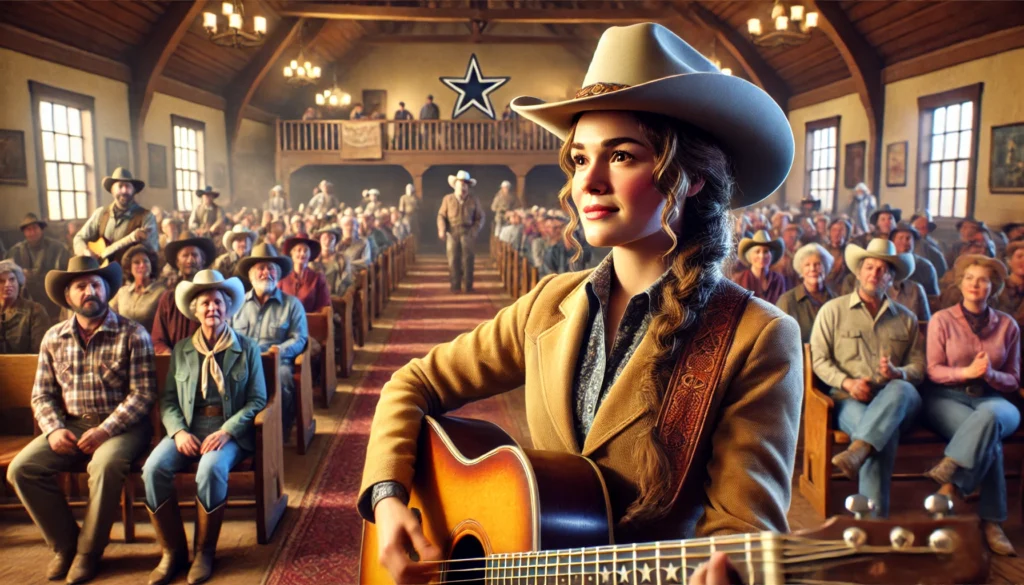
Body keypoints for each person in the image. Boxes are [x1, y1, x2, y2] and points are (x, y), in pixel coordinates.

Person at [361, 23, 803, 585]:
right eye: (578, 158)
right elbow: (410, 383)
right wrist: (388, 497)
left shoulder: (754, 335)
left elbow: (743, 536)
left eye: (621, 156)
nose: (586, 183)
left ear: (690, 177)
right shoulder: (549, 303)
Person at [6, 256, 156, 584]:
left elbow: (142, 395)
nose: (90, 291)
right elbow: (42, 396)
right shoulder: (53, 338)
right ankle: (65, 545)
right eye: (81, 286)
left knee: (103, 466)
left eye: (96, 285)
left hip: (122, 427)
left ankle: (89, 553)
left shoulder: (132, 333)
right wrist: (54, 428)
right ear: (68, 296)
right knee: (22, 469)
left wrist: (105, 430)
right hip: (71, 424)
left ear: (106, 290)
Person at [141, 270, 265, 585]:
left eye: (219, 302)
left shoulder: (247, 347)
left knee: (209, 470)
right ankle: (172, 552)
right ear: (195, 311)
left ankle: (204, 551)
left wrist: (227, 430)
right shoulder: (182, 349)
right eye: (205, 303)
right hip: (188, 427)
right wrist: (179, 432)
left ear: (228, 307)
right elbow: (168, 401)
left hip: (229, 432)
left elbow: (257, 400)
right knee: (153, 468)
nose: (212, 309)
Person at [810, 238, 925, 518]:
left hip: (898, 401)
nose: (874, 273)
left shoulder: (906, 318)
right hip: (849, 400)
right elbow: (819, 360)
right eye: (869, 267)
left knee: (901, 388)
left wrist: (899, 373)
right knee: (880, 434)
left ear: (891, 278)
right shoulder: (832, 311)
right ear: (859, 272)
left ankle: (858, 450)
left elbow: (919, 366)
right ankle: (874, 522)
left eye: (882, 269)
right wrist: (848, 383)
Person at [920, 254, 1020, 556]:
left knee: (990, 418)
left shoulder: (1007, 325)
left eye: (983, 280)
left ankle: (951, 482)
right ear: (960, 283)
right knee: (989, 439)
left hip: (994, 398)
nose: (975, 284)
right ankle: (992, 523)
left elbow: (1014, 378)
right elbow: (933, 370)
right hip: (947, 397)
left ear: (994, 287)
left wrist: (990, 375)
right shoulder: (942, 319)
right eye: (969, 278)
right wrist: (965, 373)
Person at [231, 244, 307, 437]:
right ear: (250, 275)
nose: (266, 273)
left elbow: (299, 338)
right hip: (243, 362)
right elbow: (227, 336)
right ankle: (240, 434)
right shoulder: (236, 306)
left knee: (284, 377)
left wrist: (279, 351)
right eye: (261, 268)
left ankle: (279, 432)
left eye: (271, 268)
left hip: (277, 361)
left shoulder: (292, 305)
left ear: (278, 274)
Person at [73, 167, 159, 263]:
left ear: (134, 190)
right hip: (102, 273)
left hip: (129, 275)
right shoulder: (100, 213)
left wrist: (144, 240)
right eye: (120, 186)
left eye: (128, 186)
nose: (124, 190)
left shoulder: (146, 217)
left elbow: (153, 251)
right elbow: (78, 238)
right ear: (112, 190)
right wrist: (86, 252)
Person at [152, 238, 218, 354]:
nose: (190, 260)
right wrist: (170, 357)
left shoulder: (214, 297)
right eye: (185, 255)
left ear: (202, 260)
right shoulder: (169, 298)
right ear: (177, 262)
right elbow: (158, 339)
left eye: (194, 255)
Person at [6, 213, 71, 318]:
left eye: (35, 228)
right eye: (28, 229)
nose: (32, 232)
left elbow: (65, 271)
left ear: (41, 229)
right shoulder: (16, 251)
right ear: (24, 232)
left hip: (51, 295)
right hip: (27, 298)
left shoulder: (57, 248)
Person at [775, 243, 836, 343]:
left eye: (817, 264)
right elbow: (780, 340)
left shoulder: (834, 299)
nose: (812, 269)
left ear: (825, 268)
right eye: (807, 265)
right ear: (801, 271)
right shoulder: (787, 301)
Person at [437, 170, 486, 293]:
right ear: (455, 185)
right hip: (452, 232)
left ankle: (468, 287)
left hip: (467, 232)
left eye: (465, 185)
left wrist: (474, 230)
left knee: (468, 260)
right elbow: (441, 216)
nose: (463, 187)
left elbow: (480, 217)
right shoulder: (447, 199)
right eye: (460, 184)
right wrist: (442, 229)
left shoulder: (474, 200)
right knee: (453, 259)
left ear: (468, 186)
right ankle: (455, 286)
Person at [109, 244, 166, 331]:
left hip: (149, 342)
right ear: (129, 268)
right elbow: (108, 315)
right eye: (136, 262)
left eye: (146, 261)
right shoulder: (122, 292)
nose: (142, 265)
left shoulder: (161, 292)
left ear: (151, 265)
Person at [0, 259, 51, 353]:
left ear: (18, 283)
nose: (7, 285)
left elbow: (40, 352)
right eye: (2, 281)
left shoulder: (35, 311)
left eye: (12, 279)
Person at [732, 230, 788, 304]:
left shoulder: (778, 280)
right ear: (750, 256)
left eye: (765, 251)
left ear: (771, 255)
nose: (761, 256)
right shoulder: (740, 279)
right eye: (757, 251)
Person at [280, 235, 331, 312]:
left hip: (310, 322)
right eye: (299, 250)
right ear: (292, 254)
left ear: (310, 255)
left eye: (306, 250)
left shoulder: (317, 278)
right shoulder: (283, 277)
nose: (302, 254)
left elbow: (324, 306)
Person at [890, 221, 939, 295]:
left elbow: (933, 298)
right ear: (893, 242)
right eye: (900, 238)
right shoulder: (887, 264)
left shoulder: (925, 267)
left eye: (908, 238)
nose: (905, 242)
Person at [313, 225, 352, 295]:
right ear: (320, 240)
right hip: (317, 297)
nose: (327, 241)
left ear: (335, 242)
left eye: (331, 238)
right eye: (324, 238)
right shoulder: (313, 260)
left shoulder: (342, 259)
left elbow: (346, 280)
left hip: (337, 297)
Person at [910, 210, 948, 279]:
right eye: (917, 228)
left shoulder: (938, 245)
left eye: (923, 228)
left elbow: (942, 268)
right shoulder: (906, 243)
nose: (919, 231)